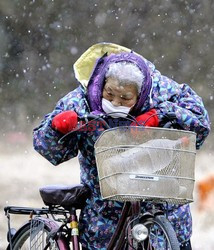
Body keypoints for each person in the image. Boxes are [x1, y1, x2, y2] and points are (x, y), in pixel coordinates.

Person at [33, 42, 210, 249]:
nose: (115, 102)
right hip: (105, 212)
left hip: (162, 206)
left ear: (140, 94)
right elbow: (47, 147)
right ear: (101, 84)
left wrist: (158, 115)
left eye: (125, 98)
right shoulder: (81, 100)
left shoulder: (160, 90)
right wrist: (57, 127)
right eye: (109, 94)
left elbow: (200, 125)